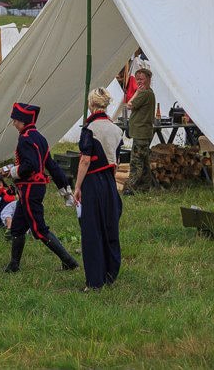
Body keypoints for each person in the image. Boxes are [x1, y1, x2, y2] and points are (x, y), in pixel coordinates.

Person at [0, 102, 78, 273]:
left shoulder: (25, 139)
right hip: (31, 190)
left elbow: (31, 165)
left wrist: (12, 171)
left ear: (23, 121)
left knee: (39, 229)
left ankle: (69, 262)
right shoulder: (39, 138)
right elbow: (51, 165)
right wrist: (64, 187)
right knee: (18, 227)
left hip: (30, 190)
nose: (14, 123)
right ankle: (14, 265)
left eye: (15, 120)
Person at [73, 87, 123, 291]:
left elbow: (85, 160)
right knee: (109, 226)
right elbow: (116, 162)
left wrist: (77, 186)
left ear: (91, 105)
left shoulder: (90, 129)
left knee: (92, 230)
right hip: (110, 182)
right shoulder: (116, 129)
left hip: (93, 182)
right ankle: (110, 273)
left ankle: (95, 281)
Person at [124, 68, 156, 193]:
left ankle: (130, 188)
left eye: (142, 79)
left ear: (148, 79)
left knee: (136, 161)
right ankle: (145, 187)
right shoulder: (150, 92)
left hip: (141, 133)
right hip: (144, 132)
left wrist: (136, 92)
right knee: (144, 161)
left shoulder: (144, 93)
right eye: (137, 79)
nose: (139, 82)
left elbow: (129, 105)